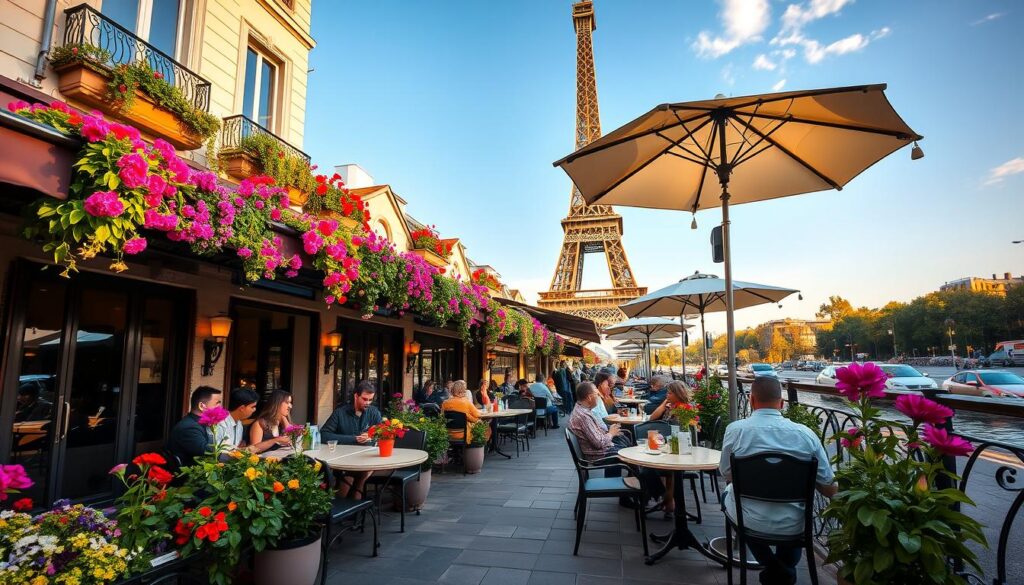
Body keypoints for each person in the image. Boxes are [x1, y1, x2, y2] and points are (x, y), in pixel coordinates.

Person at [719, 377, 837, 585]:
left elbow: (726, 473)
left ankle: (773, 568)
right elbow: (829, 488)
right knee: (791, 519)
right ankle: (783, 572)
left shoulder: (736, 430)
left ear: (751, 400)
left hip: (750, 520)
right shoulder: (806, 435)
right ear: (782, 403)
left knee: (727, 496)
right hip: (794, 523)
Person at [320, 381, 384, 499]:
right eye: (365, 399)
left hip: (367, 458)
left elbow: (383, 434)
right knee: (352, 473)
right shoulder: (340, 413)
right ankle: (346, 507)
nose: (368, 403)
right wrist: (353, 439)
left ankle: (349, 506)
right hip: (343, 459)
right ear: (356, 396)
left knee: (364, 470)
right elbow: (324, 435)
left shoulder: (373, 412)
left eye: (370, 400)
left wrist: (372, 436)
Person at [218, 388, 289, 453]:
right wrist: (275, 440)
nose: (255, 410)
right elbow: (223, 454)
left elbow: (237, 450)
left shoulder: (239, 424)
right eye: (253, 407)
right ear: (242, 408)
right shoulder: (220, 423)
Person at [567, 382, 623, 461]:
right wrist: (611, 433)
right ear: (589, 397)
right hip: (599, 454)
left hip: (600, 451)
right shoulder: (583, 416)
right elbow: (599, 443)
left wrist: (610, 430)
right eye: (597, 394)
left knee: (626, 446)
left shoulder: (581, 409)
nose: (599, 397)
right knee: (628, 454)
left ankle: (617, 473)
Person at [166, 386, 221, 466]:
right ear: (202, 406)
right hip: (191, 476)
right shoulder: (189, 427)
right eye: (217, 404)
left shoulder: (197, 423)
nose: (220, 408)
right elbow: (210, 453)